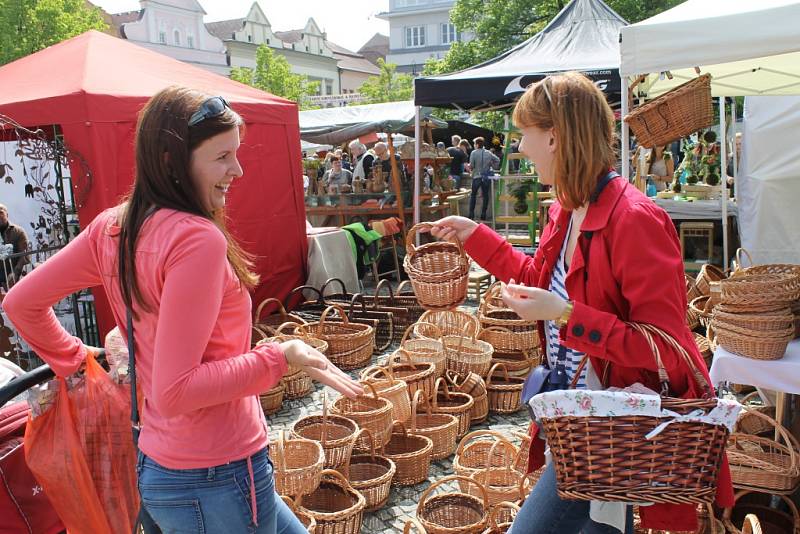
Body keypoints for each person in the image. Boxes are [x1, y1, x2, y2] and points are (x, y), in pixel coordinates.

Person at [3, 87, 362, 534]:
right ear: (173, 161)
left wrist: (74, 359)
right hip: (217, 472)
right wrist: (280, 355)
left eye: (236, 153)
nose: (238, 169)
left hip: (166, 463)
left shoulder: (113, 226)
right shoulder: (196, 238)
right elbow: (176, 390)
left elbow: (21, 304)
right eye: (222, 157)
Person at [426, 72, 732, 534]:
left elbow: (668, 349)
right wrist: (476, 235)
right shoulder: (566, 209)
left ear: (555, 136)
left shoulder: (634, 220)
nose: (521, 148)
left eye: (525, 134)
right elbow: (538, 280)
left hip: (623, 432)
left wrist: (565, 315)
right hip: (583, 426)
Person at [468, 136, 499, 221]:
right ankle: (483, 215)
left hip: (476, 176)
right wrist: (491, 165)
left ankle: (471, 214)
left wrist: (469, 167)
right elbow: (497, 160)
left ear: (477, 144)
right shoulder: (488, 153)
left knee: (473, 195)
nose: (474, 145)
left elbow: (472, 166)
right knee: (486, 196)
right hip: (486, 177)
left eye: (474, 144)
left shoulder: (473, 153)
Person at [0, 204, 29, 290]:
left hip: (11, 274)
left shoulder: (19, 232)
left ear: (7, 215)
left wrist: (15, 273)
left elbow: (25, 255)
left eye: (1, 213)